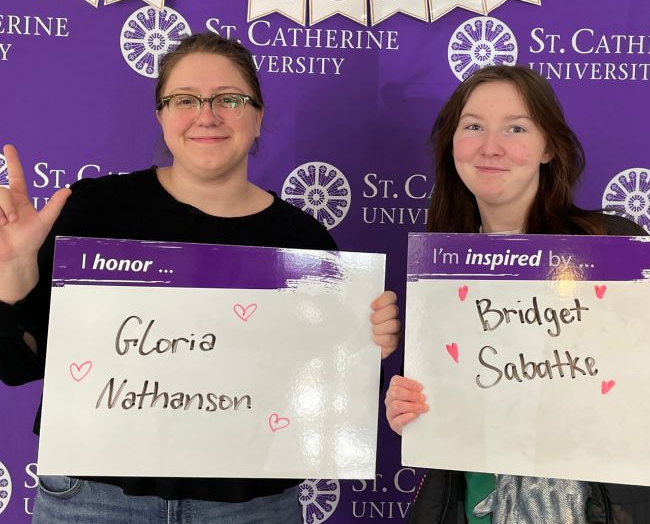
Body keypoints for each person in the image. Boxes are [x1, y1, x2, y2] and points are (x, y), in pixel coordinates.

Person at [0, 32, 400, 523]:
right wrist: (15, 274)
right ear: (162, 116)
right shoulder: (93, 210)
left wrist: (365, 353)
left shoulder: (304, 242)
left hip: (251, 509)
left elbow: (328, 402)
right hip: (93, 500)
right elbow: (17, 366)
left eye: (229, 100)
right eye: (185, 100)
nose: (206, 115)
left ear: (258, 119)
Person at [384, 65, 650, 524]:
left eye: (516, 128)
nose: (491, 146)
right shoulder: (440, 272)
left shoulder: (616, 249)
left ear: (549, 148)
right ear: (453, 145)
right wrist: (408, 408)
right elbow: (440, 412)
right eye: (474, 126)